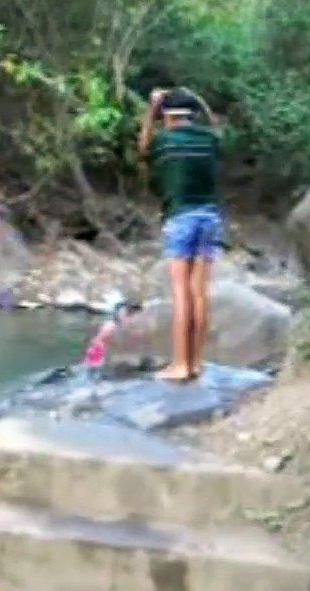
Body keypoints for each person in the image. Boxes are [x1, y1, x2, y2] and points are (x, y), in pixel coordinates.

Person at [136, 86, 224, 382]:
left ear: (167, 117)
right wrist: (197, 97)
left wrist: (151, 109)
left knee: (180, 293)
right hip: (210, 218)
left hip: (181, 219)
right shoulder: (210, 140)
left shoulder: (165, 142)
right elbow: (214, 125)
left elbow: (142, 148)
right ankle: (196, 363)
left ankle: (180, 365)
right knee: (200, 294)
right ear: (192, 115)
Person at [80, 301, 133, 382]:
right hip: (97, 356)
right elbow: (99, 343)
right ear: (116, 314)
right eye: (124, 314)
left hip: (97, 356)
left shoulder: (118, 327)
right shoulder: (111, 326)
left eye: (127, 314)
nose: (127, 317)